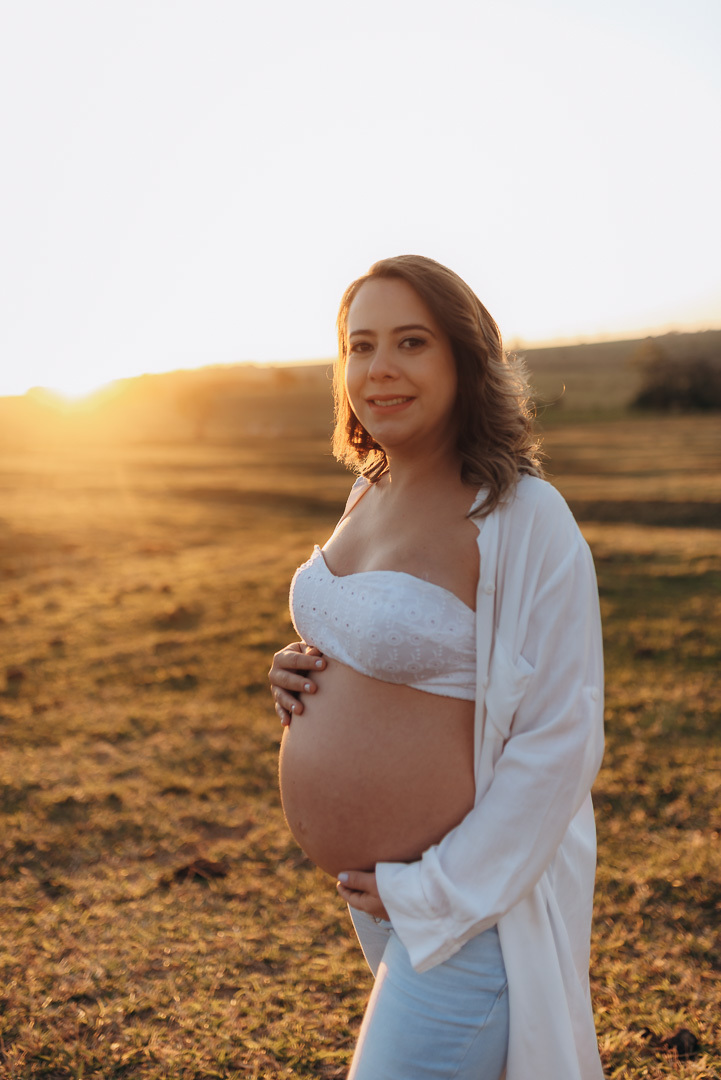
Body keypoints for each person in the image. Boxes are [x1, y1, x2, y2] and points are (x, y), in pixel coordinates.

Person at [268, 255, 605, 1080]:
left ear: (463, 357)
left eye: (410, 342)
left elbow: (560, 741)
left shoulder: (525, 517)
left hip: (469, 910)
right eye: (360, 345)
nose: (378, 369)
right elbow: (384, 646)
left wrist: (438, 892)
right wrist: (297, 671)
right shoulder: (368, 491)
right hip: (377, 902)